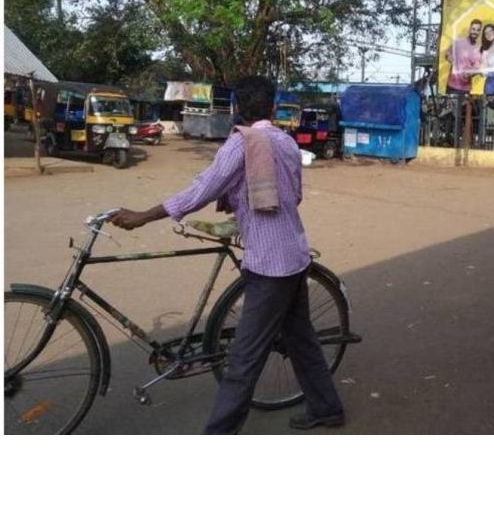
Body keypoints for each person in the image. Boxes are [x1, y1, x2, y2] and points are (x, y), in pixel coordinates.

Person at [107, 75, 345, 433]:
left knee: (243, 360)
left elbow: (202, 190)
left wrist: (143, 216)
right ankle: (327, 408)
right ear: (272, 105)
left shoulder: (241, 145)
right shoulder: (285, 142)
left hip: (270, 265)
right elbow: (292, 196)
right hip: (294, 254)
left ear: (235, 107)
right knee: (301, 340)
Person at [444, 18, 482, 94]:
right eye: (473, 29)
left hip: (465, 89)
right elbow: (447, 53)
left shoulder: (478, 49)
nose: (475, 32)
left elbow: (476, 67)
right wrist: (450, 58)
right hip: (451, 86)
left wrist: (471, 73)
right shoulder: (458, 42)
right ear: (469, 29)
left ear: (480, 32)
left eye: (478, 30)